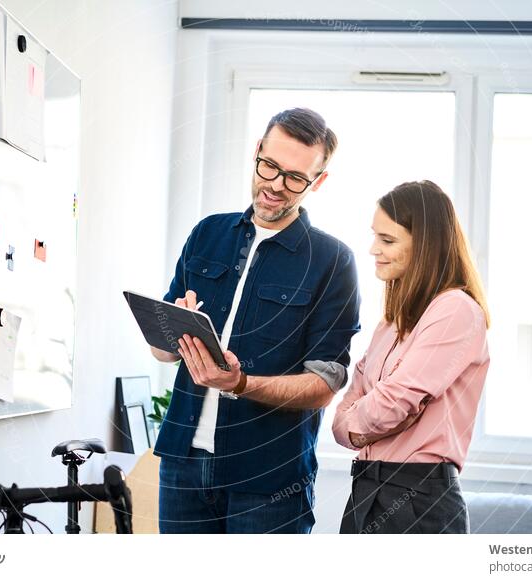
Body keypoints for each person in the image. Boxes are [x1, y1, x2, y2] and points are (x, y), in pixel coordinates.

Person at [148, 108, 361, 533]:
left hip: (268, 480)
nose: (275, 186)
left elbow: (324, 385)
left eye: (295, 178)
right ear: (257, 152)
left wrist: (241, 384)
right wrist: (178, 328)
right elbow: (161, 351)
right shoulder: (207, 233)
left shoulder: (333, 261)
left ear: (318, 182)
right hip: (182, 467)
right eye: (270, 166)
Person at [332, 180, 490, 534]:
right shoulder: (391, 321)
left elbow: (393, 402)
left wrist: (365, 418)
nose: (374, 249)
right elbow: (345, 415)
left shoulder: (455, 310)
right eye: (375, 236)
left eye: (387, 240)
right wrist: (362, 426)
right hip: (366, 490)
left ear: (426, 247)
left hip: (418, 499)